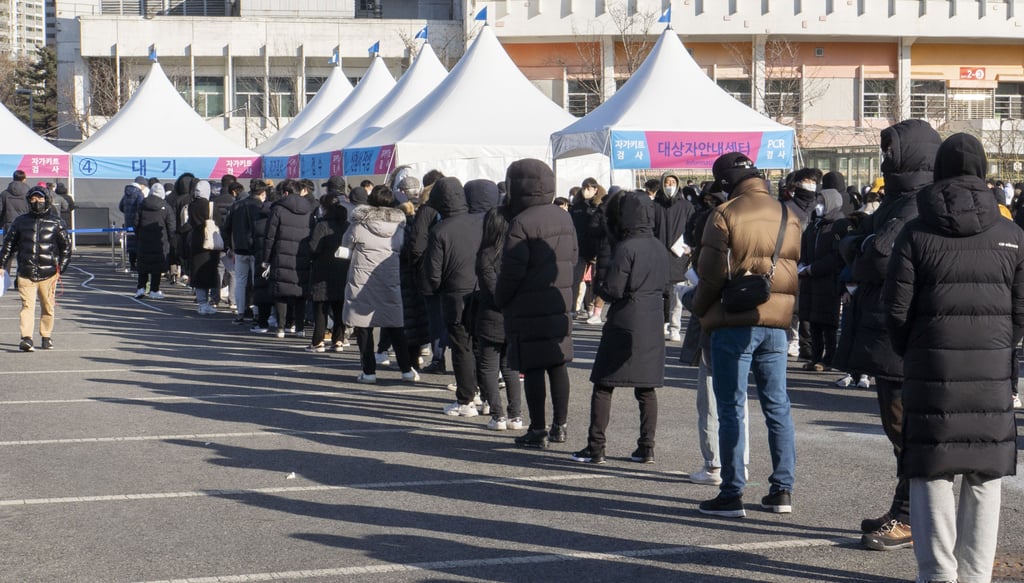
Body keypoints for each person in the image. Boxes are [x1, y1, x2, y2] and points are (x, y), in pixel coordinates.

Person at [884, 133, 1022, 583]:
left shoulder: (915, 231)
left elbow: (896, 309)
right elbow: (1022, 311)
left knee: (931, 470)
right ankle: (976, 574)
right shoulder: (1012, 234)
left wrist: (915, 348)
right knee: (985, 473)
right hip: (991, 370)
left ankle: (938, 574)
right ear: (983, 170)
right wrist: (999, 344)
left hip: (930, 367)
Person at [834, 118, 942, 550]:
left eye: (891, 150)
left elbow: (878, 256)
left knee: (906, 429)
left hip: (900, 335)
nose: (885, 158)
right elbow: (858, 241)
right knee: (898, 430)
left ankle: (910, 516)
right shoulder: (896, 201)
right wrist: (857, 243)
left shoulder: (918, 202)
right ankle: (904, 506)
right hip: (884, 332)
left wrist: (858, 245)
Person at [692, 152, 801, 518]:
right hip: (776, 321)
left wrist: (699, 308)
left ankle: (732, 492)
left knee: (731, 407)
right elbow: (790, 270)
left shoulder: (724, 214)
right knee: (778, 406)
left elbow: (711, 275)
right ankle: (782, 490)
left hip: (733, 320)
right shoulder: (787, 213)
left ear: (726, 183)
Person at [571, 190, 667, 464]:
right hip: (652, 319)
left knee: (604, 384)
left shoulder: (626, 247)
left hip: (626, 317)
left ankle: (596, 447)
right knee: (646, 388)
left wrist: (600, 287)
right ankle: (646, 447)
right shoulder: (659, 246)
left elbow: (613, 290)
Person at [495, 159, 577, 449]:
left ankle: (538, 428)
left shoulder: (522, 221)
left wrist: (501, 298)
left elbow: (512, 270)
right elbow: (573, 256)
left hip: (528, 304)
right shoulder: (564, 216)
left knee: (532, 368)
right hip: (559, 299)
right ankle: (560, 426)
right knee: (557, 364)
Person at [342, 185, 417, 383]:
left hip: (362, 277)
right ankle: (407, 370)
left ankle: (368, 372)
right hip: (389, 277)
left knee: (363, 325)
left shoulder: (360, 223)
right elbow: (401, 246)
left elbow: (346, 242)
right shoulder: (398, 226)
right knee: (394, 323)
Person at [425, 177, 487, 416]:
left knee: (462, 348)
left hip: (454, 294)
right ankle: (488, 398)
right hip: (482, 290)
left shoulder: (440, 230)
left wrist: (437, 287)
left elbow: (433, 272)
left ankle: (465, 400)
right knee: (482, 346)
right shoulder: (481, 222)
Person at [0, 186, 72, 351]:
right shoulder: (20, 221)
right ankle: (27, 338)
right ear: (28, 201)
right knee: (27, 306)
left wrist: (61, 268)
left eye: (40, 198)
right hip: (26, 272)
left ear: (46, 200)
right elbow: (8, 245)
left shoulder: (57, 222)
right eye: (33, 198)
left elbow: (66, 248)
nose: (37, 201)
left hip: (49, 273)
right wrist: (1, 264)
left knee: (48, 307)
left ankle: (46, 336)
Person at [474, 201, 523, 431]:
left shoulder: (486, 254)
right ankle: (516, 415)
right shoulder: (515, 252)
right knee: (510, 368)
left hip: (491, 317)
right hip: (513, 317)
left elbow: (492, 289)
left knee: (488, 367)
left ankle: (498, 415)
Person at [797, 171, 854, 372]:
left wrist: (813, 268)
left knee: (828, 323)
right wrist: (802, 265)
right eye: (817, 201)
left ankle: (829, 358)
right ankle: (815, 357)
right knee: (813, 321)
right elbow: (804, 249)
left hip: (828, 281)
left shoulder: (839, 225)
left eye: (821, 202)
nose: (818, 205)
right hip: (811, 281)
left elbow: (837, 256)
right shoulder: (814, 225)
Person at [262, 179, 314, 337]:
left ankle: (281, 327)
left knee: (281, 292)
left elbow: (270, 236)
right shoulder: (309, 209)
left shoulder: (278, 209)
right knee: (300, 293)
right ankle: (299, 328)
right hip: (302, 256)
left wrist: (266, 258)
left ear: (285, 193)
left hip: (281, 255)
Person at [652, 172, 694, 343]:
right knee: (658, 294)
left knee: (677, 296)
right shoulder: (654, 206)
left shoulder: (686, 206)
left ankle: (675, 327)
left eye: (672, 182)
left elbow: (693, 229)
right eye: (667, 182)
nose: (669, 185)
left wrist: (690, 248)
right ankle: (660, 324)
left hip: (679, 257)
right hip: (658, 256)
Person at [305, 194, 349, 352]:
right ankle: (339, 340)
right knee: (339, 307)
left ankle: (318, 341)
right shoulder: (347, 225)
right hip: (343, 269)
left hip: (323, 270)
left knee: (321, 308)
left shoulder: (321, 225)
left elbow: (313, 248)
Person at [183, 180, 221, 314]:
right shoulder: (210, 206)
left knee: (198, 272)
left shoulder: (191, 205)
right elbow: (219, 221)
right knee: (209, 271)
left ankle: (202, 302)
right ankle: (208, 302)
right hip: (209, 242)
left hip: (196, 242)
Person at [132, 183, 175, 299]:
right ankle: (154, 290)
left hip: (144, 241)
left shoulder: (142, 205)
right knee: (157, 267)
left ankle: (141, 288)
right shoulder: (166, 207)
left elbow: (135, 223)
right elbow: (171, 226)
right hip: (160, 241)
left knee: (143, 266)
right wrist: (170, 239)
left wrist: (139, 235)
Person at [119, 178, 147, 271]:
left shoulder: (126, 194)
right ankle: (138, 264)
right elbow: (141, 207)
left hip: (128, 222)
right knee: (138, 243)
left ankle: (132, 264)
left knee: (130, 243)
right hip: (137, 222)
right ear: (141, 185)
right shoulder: (139, 194)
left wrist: (128, 213)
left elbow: (121, 207)